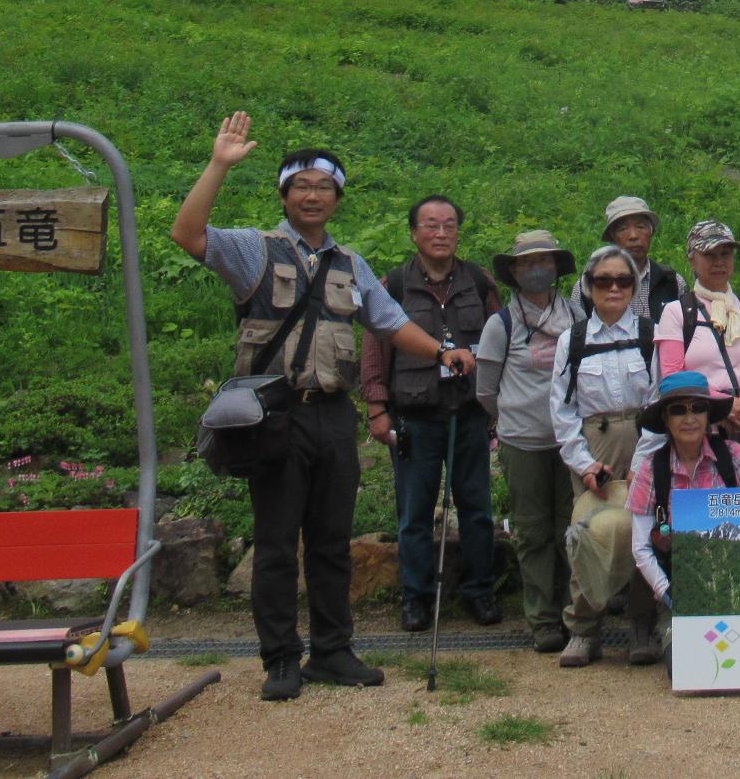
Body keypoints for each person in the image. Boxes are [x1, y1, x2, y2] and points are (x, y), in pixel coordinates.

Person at [171, 112, 475, 702]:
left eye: (324, 186)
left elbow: (391, 324)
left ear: (337, 197)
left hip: (334, 414)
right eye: (302, 185)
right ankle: (281, 658)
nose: (313, 195)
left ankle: (333, 651)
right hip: (273, 414)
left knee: (333, 540)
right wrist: (218, 165)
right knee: (279, 541)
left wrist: (445, 352)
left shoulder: (350, 264)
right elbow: (188, 235)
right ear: (284, 194)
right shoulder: (251, 250)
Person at [360, 195, 501, 633]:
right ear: (413, 233)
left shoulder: (480, 281)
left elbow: (501, 344)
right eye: (430, 226)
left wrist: (499, 404)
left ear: (459, 231)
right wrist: (377, 407)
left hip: (471, 414)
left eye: (449, 226)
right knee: (414, 513)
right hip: (414, 416)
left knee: (477, 508)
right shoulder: (394, 285)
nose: (440, 234)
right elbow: (375, 347)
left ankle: (480, 591)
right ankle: (416, 596)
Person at [549, 245, 662, 668]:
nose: (613, 288)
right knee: (588, 532)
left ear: (634, 286)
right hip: (593, 449)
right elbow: (561, 409)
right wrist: (582, 462)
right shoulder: (572, 340)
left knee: (644, 532)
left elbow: (659, 401)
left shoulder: (651, 335)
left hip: (645, 442)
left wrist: (644, 462)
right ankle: (584, 629)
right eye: (603, 281)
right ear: (588, 286)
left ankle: (641, 624)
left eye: (623, 280)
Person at [474, 230, 578, 655]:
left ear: (556, 268)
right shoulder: (501, 323)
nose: (537, 269)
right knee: (533, 532)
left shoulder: (575, 315)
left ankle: (578, 614)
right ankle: (543, 620)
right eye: (527, 263)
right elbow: (485, 389)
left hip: (571, 440)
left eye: (544, 261)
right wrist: (510, 418)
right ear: (514, 272)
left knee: (572, 530)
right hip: (522, 441)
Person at [629, 372, 740, 634]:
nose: (690, 419)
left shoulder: (736, 457)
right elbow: (641, 549)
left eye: (699, 408)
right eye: (679, 410)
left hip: (739, 583)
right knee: (682, 665)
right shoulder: (650, 469)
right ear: (665, 419)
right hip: (678, 588)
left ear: (708, 416)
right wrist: (669, 594)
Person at [653, 220, 740, 443]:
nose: (719, 262)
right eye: (710, 255)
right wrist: (723, 405)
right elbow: (673, 373)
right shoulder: (676, 313)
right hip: (701, 426)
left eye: (726, 254)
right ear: (691, 258)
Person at [595, 195, 681, 321]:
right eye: (623, 229)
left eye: (640, 227)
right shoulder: (592, 283)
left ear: (651, 232)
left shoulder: (671, 281)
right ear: (612, 237)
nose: (633, 236)